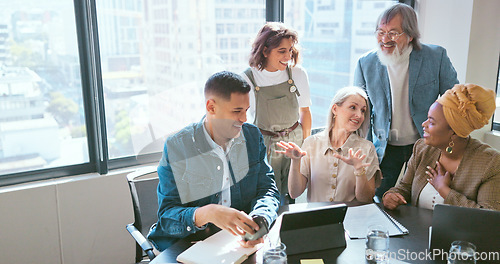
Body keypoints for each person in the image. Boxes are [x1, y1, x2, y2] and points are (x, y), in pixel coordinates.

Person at [147, 71, 280, 251]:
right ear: (211, 107)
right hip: (187, 245)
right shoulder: (177, 146)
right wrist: (207, 213)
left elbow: (267, 190)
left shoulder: (252, 136)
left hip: (235, 243)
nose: (244, 119)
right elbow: (167, 218)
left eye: (246, 110)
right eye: (236, 111)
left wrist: (260, 219)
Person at [353, 3, 459, 201]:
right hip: (385, 147)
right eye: (381, 31)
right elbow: (359, 112)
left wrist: (450, 143)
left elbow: (454, 101)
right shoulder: (365, 63)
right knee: (380, 198)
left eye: (393, 33)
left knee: (422, 198)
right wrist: (363, 149)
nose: (385, 39)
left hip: (425, 144)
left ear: (410, 35)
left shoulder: (436, 57)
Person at [382, 84, 500, 211]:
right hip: (417, 230)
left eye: (431, 122)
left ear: (454, 131)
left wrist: (445, 190)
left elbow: (488, 218)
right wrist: (391, 195)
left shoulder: (491, 163)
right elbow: (404, 187)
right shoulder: (422, 148)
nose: (424, 124)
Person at [241, 22, 312, 204]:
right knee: (267, 196)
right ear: (265, 51)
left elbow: (305, 112)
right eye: (282, 51)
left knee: (292, 196)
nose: (288, 56)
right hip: (265, 146)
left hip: (294, 144)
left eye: (290, 50)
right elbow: (241, 121)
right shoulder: (247, 79)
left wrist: (303, 148)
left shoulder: (297, 74)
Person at [276, 87, 381, 203]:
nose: (359, 115)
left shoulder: (367, 148)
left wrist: (359, 170)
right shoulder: (311, 143)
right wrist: (295, 161)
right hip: (316, 218)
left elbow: (366, 199)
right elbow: (294, 193)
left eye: (363, 111)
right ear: (335, 109)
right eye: (353, 107)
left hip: (351, 218)